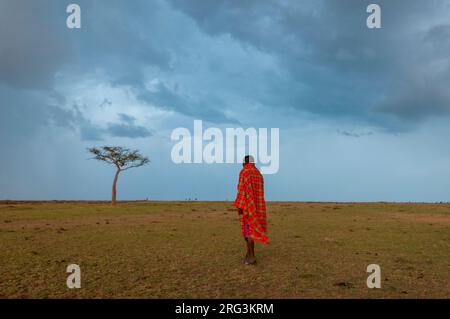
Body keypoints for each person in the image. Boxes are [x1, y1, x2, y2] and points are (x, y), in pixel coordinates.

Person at [234, 155, 269, 265]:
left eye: (243, 163)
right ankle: (248, 254)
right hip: (257, 207)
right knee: (251, 231)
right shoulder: (258, 174)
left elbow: (241, 190)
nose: (242, 165)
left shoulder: (244, 172)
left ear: (245, 162)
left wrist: (240, 206)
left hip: (247, 207)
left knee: (248, 231)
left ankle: (251, 257)